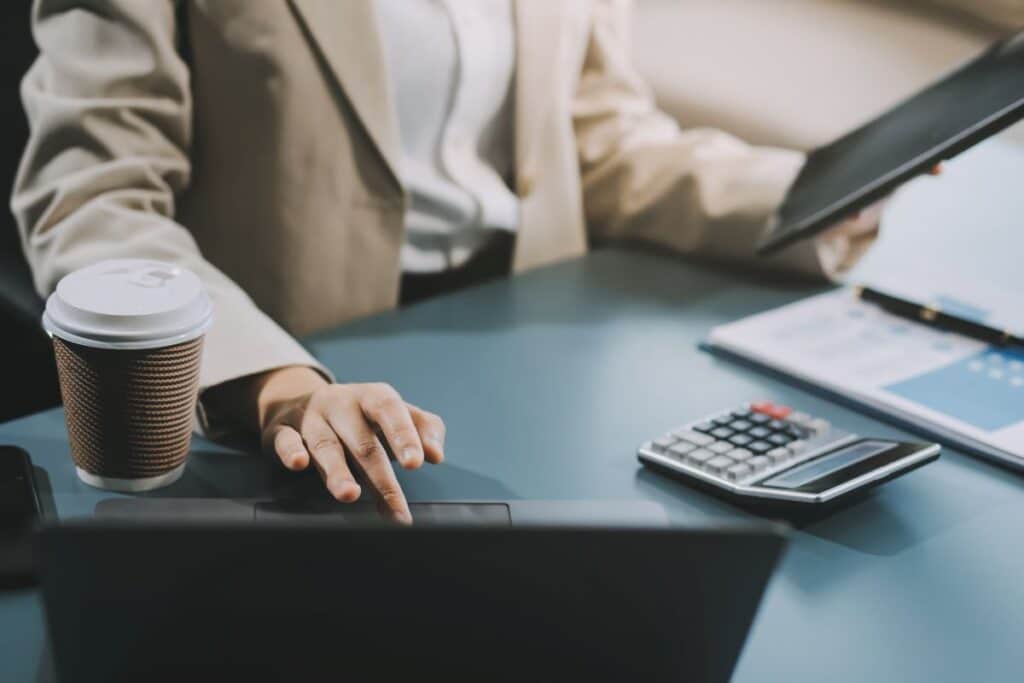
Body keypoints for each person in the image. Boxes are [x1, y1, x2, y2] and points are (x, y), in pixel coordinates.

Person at [13, 0, 885, 523]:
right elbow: (94, 199)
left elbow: (597, 139)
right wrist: (279, 384)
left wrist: (826, 195)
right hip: (297, 383)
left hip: (539, 363)